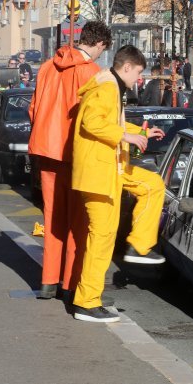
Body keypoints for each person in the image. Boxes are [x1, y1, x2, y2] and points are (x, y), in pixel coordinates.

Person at [71, 46, 167, 323]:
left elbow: (111, 122)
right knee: (101, 239)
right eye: (138, 73)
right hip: (99, 172)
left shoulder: (110, 84)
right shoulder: (107, 88)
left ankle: (139, 245)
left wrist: (141, 132)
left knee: (152, 184)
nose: (139, 80)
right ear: (127, 67)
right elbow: (92, 122)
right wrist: (126, 137)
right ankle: (86, 303)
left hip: (110, 166)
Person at [28, 20, 112, 300]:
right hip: (76, 154)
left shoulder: (46, 67)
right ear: (99, 44)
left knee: (52, 218)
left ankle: (47, 280)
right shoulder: (93, 73)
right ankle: (70, 283)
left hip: (46, 150)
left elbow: (34, 109)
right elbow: (95, 119)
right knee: (78, 222)